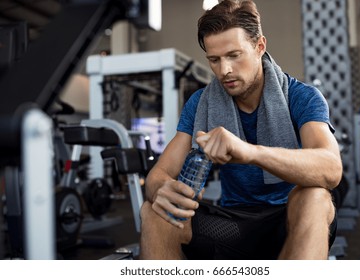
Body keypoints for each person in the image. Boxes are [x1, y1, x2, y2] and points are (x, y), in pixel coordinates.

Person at [139, 0, 343, 260]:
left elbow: (331, 168)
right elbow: (160, 174)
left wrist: (249, 152)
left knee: (315, 197)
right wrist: (162, 190)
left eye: (234, 55)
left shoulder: (301, 97)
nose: (224, 70)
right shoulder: (201, 102)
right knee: (153, 212)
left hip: (288, 220)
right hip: (233, 226)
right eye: (214, 60)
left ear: (259, 46)